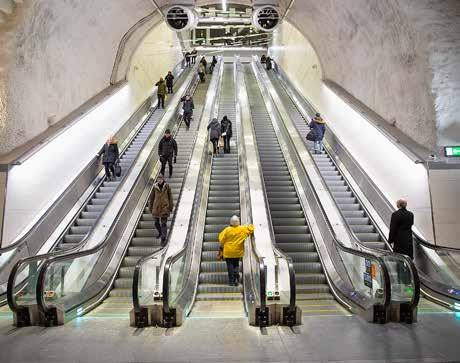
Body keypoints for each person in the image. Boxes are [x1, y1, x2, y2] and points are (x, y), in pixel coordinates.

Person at [218, 216, 255, 286]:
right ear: (238, 221)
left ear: (230, 222)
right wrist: (250, 224)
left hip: (228, 251)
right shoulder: (242, 229)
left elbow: (221, 239)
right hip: (238, 251)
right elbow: (251, 229)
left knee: (230, 266)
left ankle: (231, 281)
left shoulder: (227, 230)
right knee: (236, 264)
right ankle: (236, 278)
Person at [149, 174, 173, 246]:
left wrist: (170, 207)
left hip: (164, 207)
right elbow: (151, 198)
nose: (159, 180)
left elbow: (170, 197)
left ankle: (163, 238)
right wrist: (151, 207)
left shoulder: (167, 187)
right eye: (158, 179)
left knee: (163, 223)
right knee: (156, 223)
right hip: (156, 208)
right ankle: (160, 232)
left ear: (163, 179)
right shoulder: (154, 187)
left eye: (161, 179)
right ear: (157, 180)